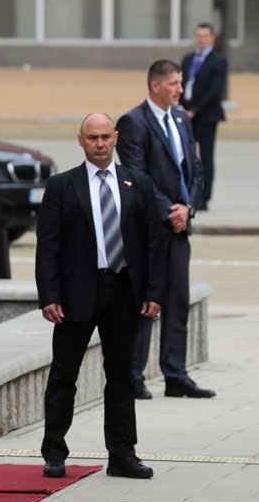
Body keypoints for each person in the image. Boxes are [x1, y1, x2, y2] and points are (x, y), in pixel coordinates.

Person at [36, 113, 164, 480]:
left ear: (116, 137)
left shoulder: (137, 183)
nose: (99, 143)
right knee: (64, 374)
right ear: (80, 140)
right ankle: (54, 453)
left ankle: (122, 454)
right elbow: (48, 245)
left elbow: (153, 243)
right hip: (76, 293)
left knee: (122, 376)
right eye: (92, 137)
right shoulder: (62, 185)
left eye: (106, 136)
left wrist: (153, 292)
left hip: (124, 292)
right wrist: (49, 295)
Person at [116, 59, 216, 401]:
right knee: (147, 301)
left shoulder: (181, 120)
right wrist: (167, 210)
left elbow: (196, 169)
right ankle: (133, 377)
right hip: (150, 230)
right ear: (155, 85)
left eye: (180, 82)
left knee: (177, 302)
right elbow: (134, 175)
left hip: (179, 226)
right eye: (173, 83)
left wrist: (188, 209)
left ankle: (175, 375)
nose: (179, 89)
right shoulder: (133, 122)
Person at [180, 23, 227, 211]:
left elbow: (215, 91)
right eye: (198, 35)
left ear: (212, 38)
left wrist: (196, 110)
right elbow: (180, 83)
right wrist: (182, 108)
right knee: (185, 156)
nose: (201, 39)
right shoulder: (188, 58)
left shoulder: (218, 60)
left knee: (205, 157)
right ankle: (186, 193)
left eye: (205, 36)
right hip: (185, 113)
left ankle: (203, 198)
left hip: (206, 115)